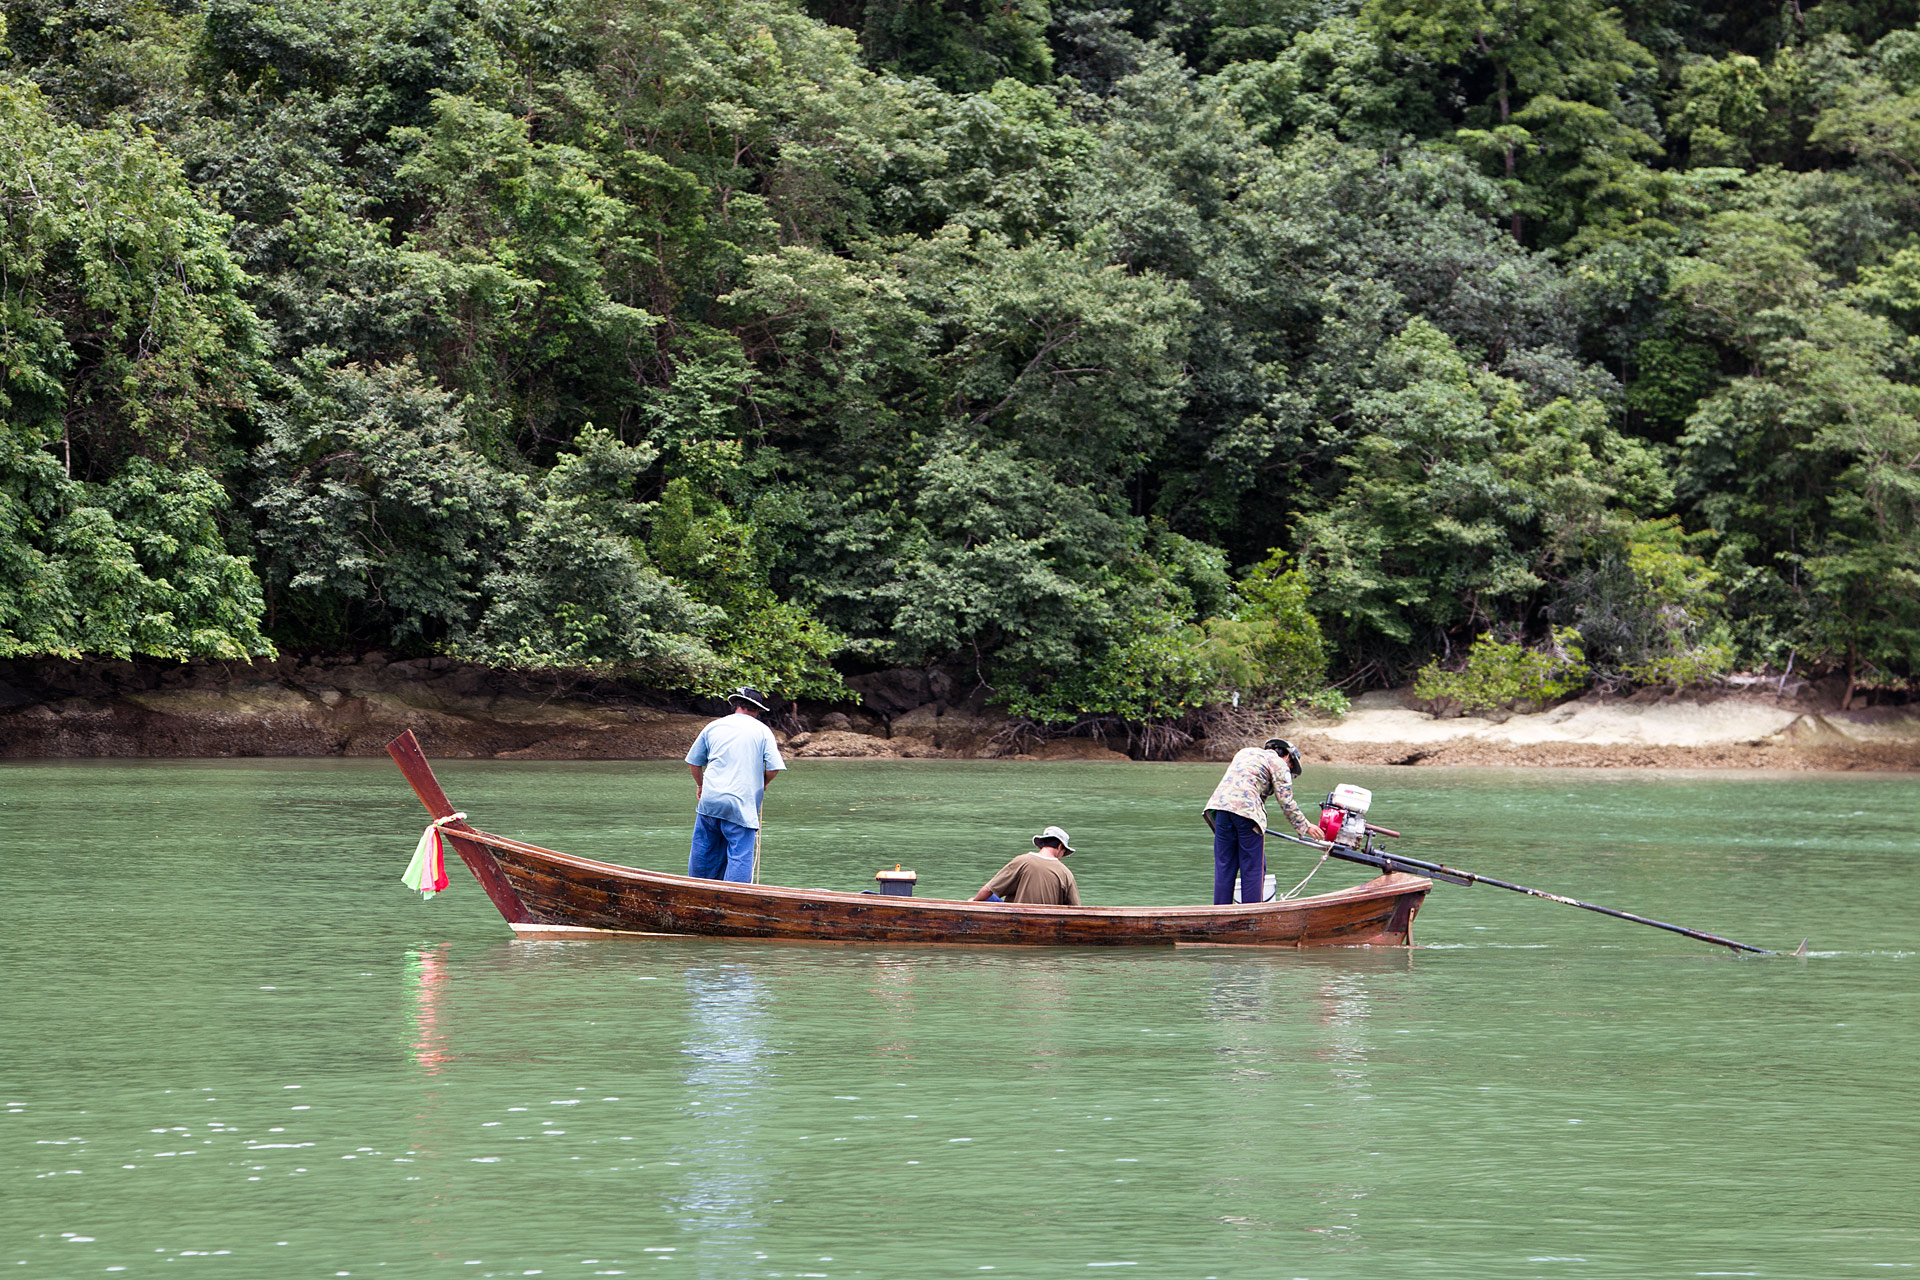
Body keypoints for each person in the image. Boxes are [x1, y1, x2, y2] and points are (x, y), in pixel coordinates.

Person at [685, 686, 786, 883]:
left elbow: (694, 763)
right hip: (741, 804)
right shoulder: (763, 731)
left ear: (735, 705)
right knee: (739, 854)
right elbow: (774, 768)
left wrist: (700, 785)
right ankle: (734, 898)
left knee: (704, 851)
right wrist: (763, 783)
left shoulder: (714, 726)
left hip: (711, 800)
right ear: (756, 710)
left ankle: (696, 891)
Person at [1202, 737, 1317, 906]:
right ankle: (1251, 915)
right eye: (1291, 766)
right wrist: (1305, 825)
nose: (1289, 769)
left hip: (1220, 810)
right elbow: (1286, 801)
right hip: (1247, 813)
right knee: (1253, 868)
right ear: (1287, 757)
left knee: (1225, 866)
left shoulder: (1245, 752)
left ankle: (1219, 913)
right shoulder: (1279, 763)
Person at [970, 826, 1081, 905]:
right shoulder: (1066, 873)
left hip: (1016, 919)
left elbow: (988, 890)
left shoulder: (1022, 861)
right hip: (1048, 924)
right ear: (1060, 846)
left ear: (1042, 844)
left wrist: (972, 903)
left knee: (980, 899)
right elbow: (1076, 909)